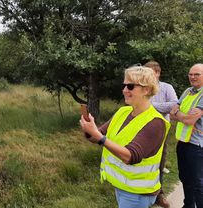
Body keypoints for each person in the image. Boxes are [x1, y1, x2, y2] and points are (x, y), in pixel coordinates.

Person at [80, 66, 170, 208]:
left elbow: (130, 156)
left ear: (146, 90)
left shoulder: (156, 123)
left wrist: (99, 137)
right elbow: (98, 136)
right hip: (121, 186)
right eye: (124, 85)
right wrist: (89, 130)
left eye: (130, 86)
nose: (124, 90)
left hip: (138, 193)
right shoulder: (123, 112)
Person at [144, 61, 178, 208]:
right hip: (142, 130)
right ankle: (143, 194)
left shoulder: (166, 87)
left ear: (158, 73)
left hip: (160, 132)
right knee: (142, 162)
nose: (148, 75)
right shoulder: (141, 87)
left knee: (159, 163)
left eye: (151, 72)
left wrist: (150, 106)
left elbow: (174, 104)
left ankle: (158, 195)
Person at [169, 63, 203, 208]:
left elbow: (190, 120)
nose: (192, 77)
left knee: (198, 182)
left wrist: (178, 113)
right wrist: (179, 113)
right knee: (184, 178)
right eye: (191, 74)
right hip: (182, 142)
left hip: (197, 146)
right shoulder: (188, 91)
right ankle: (188, 205)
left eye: (197, 74)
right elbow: (172, 113)